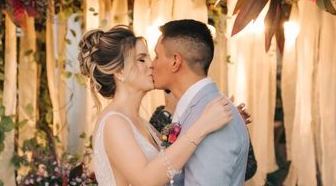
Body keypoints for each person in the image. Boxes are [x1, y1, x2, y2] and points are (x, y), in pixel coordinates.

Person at [78, 26, 234, 186]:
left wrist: (220, 120)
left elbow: (171, 166)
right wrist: (204, 125)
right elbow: (146, 179)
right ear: (119, 72)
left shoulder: (142, 123)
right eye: (141, 59)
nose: (151, 65)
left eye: (150, 58)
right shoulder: (114, 122)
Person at [152, 19, 250, 185]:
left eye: (156, 56)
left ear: (175, 62)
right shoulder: (199, 108)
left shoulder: (214, 119)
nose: (151, 65)